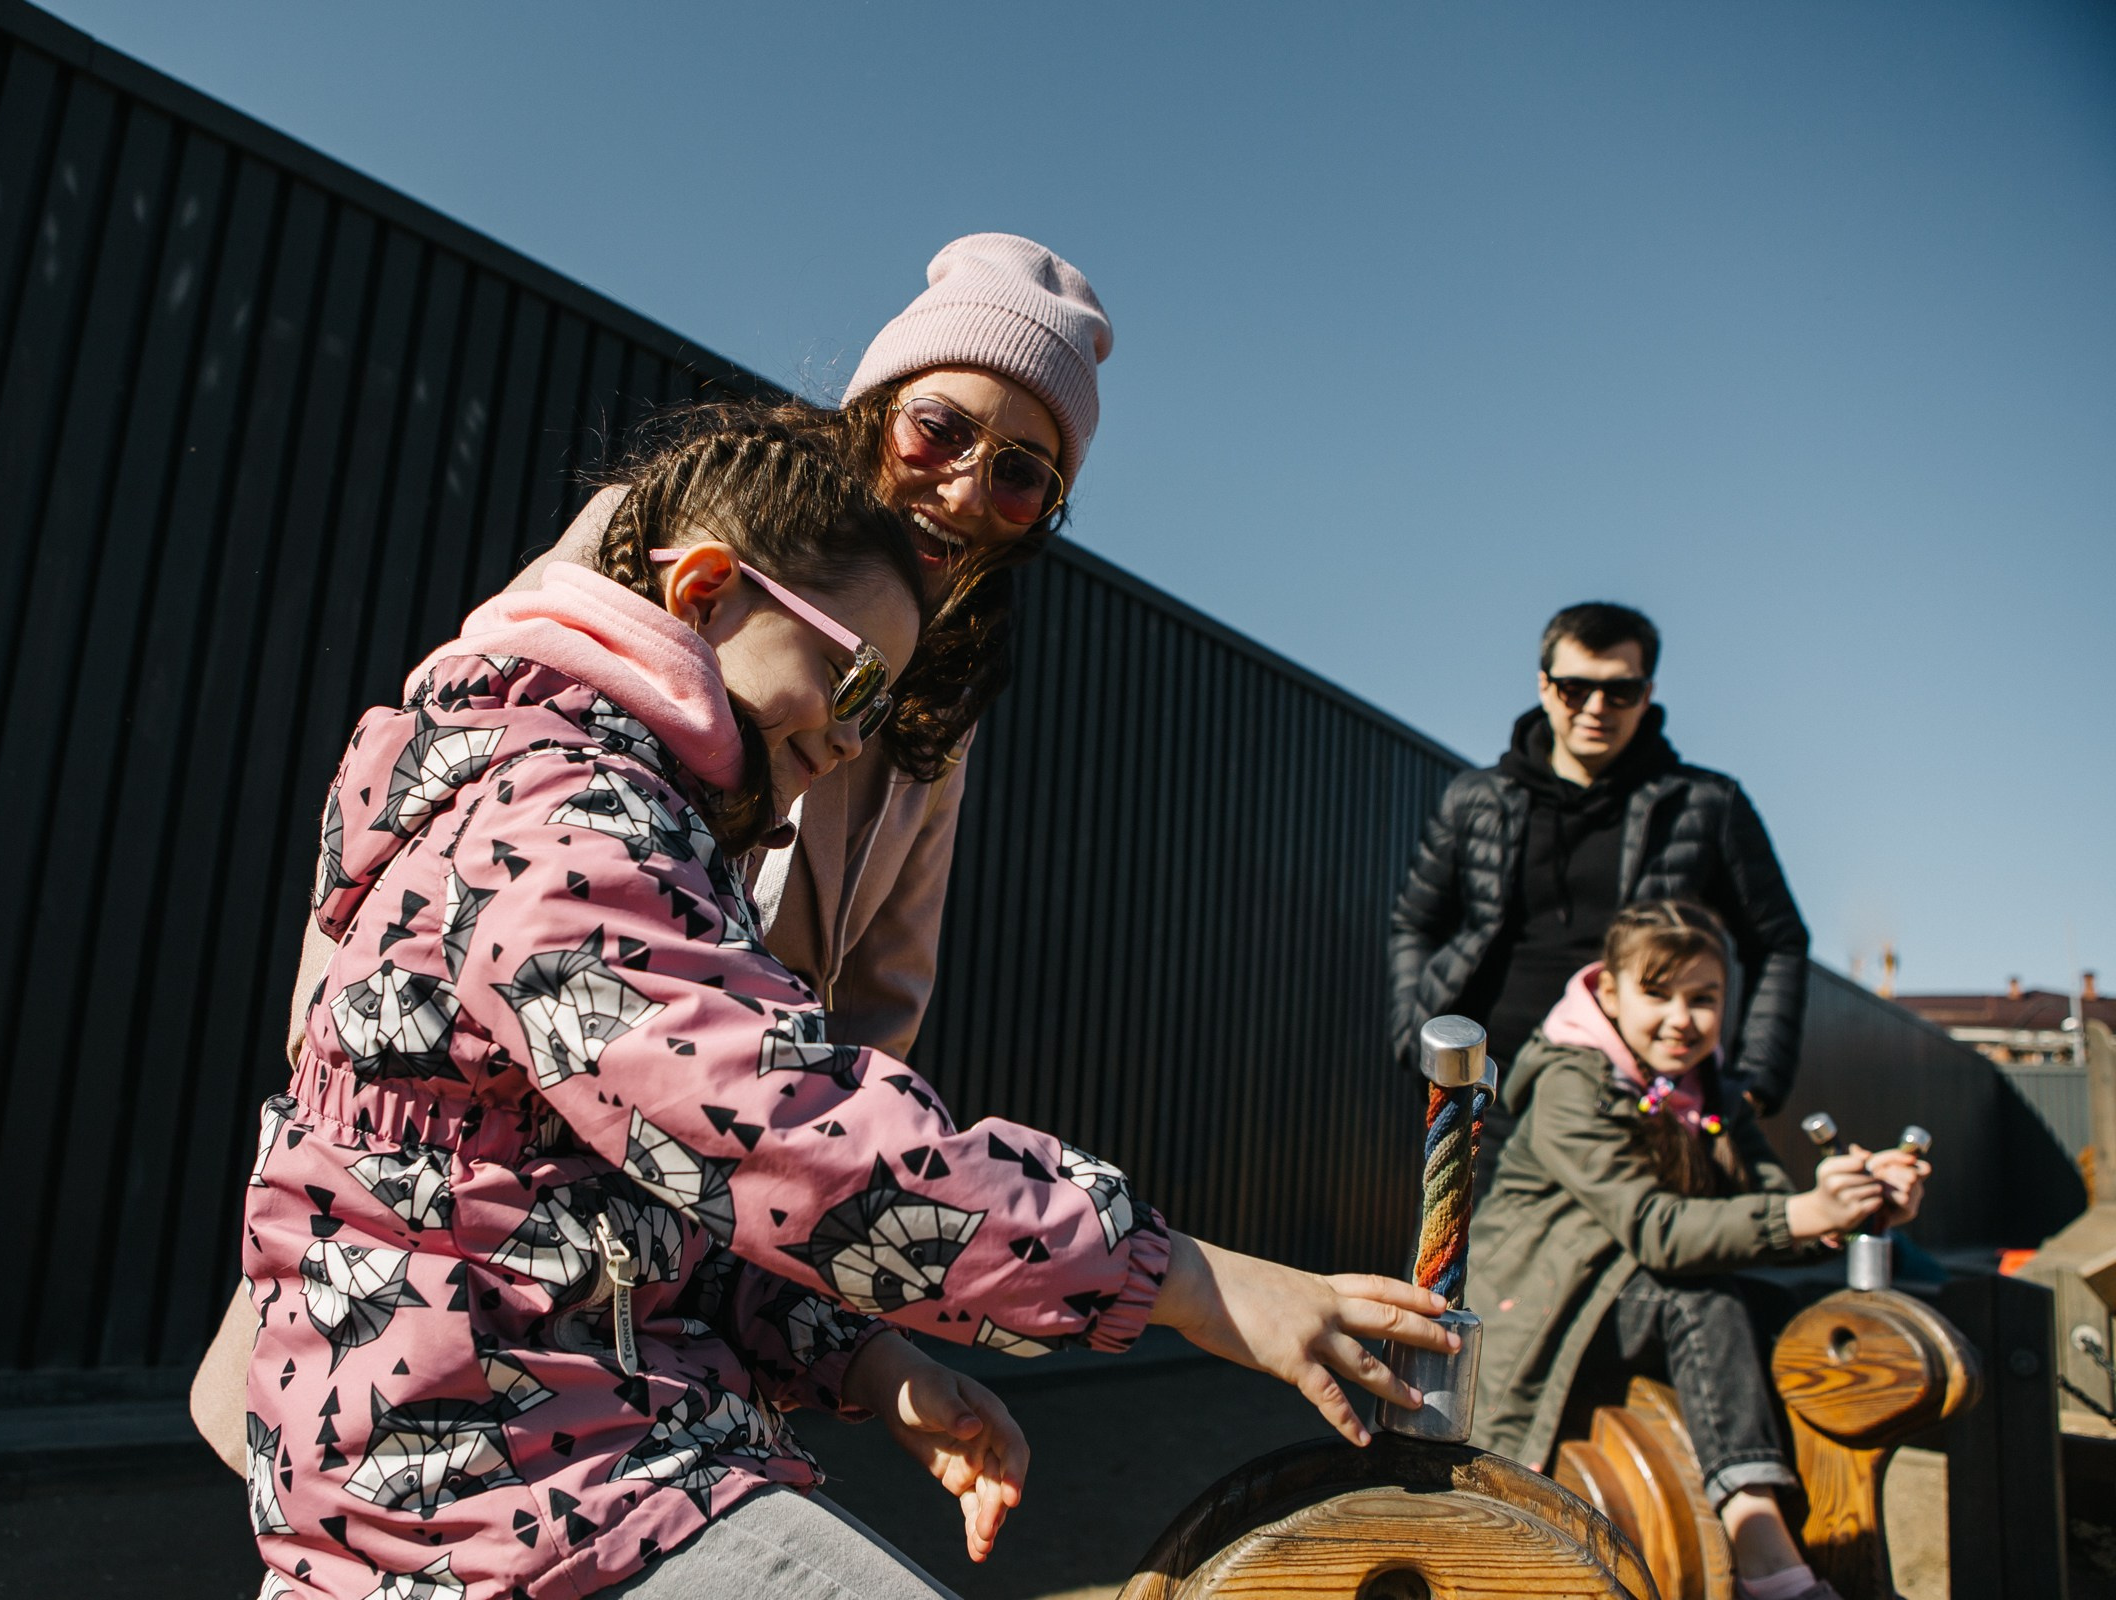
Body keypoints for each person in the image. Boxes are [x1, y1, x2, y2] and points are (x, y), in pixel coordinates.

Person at [243, 413, 1456, 1599]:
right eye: (846, 672)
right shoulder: (563, 819)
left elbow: (626, 1210)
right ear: (706, 591)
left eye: (884, 704)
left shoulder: (617, 804)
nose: (852, 733)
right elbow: (785, 1127)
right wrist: (1185, 1277)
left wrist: (869, 1362)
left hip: (544, 1431)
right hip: (488, 1470)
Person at [194, 234, 1115, 1457]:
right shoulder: (675, 531)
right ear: (876, 409)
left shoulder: (937, 707)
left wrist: (817, 1246)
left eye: (1018, 477)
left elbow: (882, 996)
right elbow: (450, 791)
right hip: (450, 1189)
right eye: (941, 430)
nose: (962, 487)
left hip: (685, 1234)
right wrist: (346, 1113)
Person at [1467, 901, 1927, 1600]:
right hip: (1548, 1310)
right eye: (1658, 993)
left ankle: (1838, 1530)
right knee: (1701, 1299)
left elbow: (1768, 1214)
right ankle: (1760, 1544)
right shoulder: (1572, 1081)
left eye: (1703, 998)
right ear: (1610, 992)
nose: (1682, 1018)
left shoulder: (1713, 1093)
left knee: (1791, 1310)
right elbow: (1656, 1227)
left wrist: (1849, 1205)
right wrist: (1802, 1211)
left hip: (1632, 1294)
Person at [1387, 601, 1811, 1180]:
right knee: (1462, 1264)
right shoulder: (1476, 798)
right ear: (1543, 685)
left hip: (1637, 1101)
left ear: (1648, 692)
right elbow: (1415, 921)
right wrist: (1414, 1038)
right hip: (1488, 1092)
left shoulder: (1707, 804)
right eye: (1574, 688)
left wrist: (1754, 1083)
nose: (1595, 708)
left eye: (1620, 691)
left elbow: (1779, 940)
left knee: (1639, 1264)